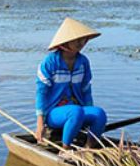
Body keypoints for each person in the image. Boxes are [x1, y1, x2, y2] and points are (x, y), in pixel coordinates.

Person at [35, 17, 107, 149]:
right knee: (75, 111)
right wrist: (40, 123)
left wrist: (88, 116)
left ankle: (88, 148)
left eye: (83, 39)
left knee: (99, 113)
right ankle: (65, 149)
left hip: (77, 110)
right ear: (66, 43)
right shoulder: (50, 63)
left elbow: (86, 90)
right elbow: (41, 93)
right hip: (54, 113)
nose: (82, 42)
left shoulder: (83, 62)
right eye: (77, 40)